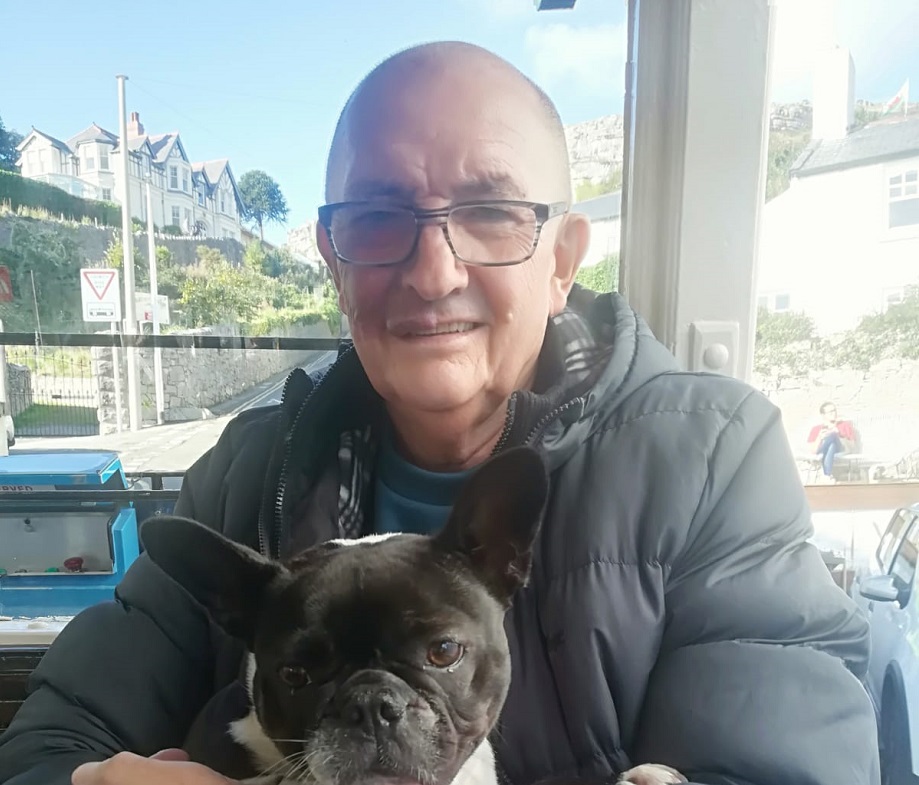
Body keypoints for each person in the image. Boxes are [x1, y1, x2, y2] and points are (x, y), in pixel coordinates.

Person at [0, 41, 879, 785]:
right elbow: (51, 739)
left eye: (491, 213)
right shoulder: (247, 472)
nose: (432, 269)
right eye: (380, 218)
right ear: (333, 260)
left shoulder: (709, 461)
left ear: (563, 258)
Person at [807, 401, 858, 479]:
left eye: (834, 410)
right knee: (832, 445)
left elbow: (852, 446)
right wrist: (819, 438)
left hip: (842, 449)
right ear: (823, 415)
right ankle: (827, 474)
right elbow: (813, 451)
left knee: (833, 436)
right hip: (825, 450)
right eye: (830, 412)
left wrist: (839, 433)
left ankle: (826, 475)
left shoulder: (844, 425)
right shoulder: (816, 429)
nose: (834, 413)